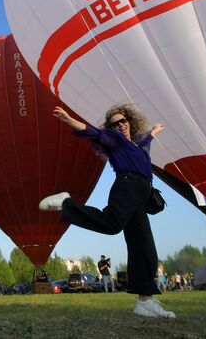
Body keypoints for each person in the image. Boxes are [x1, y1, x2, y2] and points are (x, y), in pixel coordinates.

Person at [39, 104, 175, 319]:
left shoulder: (138, 145)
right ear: (111, 128)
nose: (120, 125)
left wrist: (154, 131)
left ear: (130, 122)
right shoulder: (116, 140)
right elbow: (93, 132)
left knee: (144, 247)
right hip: (127, 185)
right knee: (112, 223)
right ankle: (66, 203)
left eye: (123, 121)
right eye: (115, 124)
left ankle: (145, 301)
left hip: (141, 193)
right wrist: (69, 120)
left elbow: (147, 140)